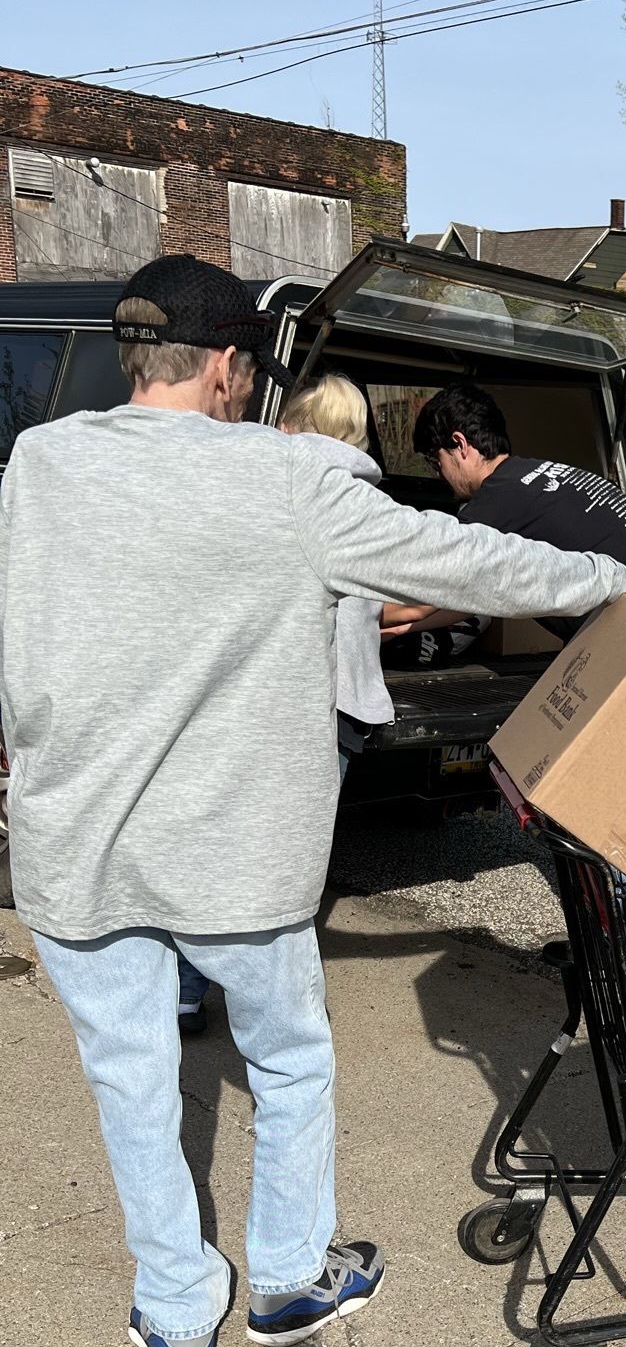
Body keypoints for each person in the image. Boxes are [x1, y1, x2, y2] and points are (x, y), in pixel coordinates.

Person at [0, 253, 626, 1347]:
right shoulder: (289, 480)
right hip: (233, 857)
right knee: (290, 1062)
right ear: (224, 368)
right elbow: (466, 557)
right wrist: (604, 572)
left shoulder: (38, 463)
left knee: (132, 1074)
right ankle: (292, 1276)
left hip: (72, 845)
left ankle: (176, 1310)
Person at [175, 370, 392, 1036]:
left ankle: (187, 992)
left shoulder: (273, 490)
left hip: (275, 699)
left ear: (294, 424)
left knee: (222, 849)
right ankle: (270, 1009)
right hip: (345, 706)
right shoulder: (371, 505)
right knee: (291, 869)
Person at [410, 381, 626, 644]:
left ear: (460, 444)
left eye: (435, 461)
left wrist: (390, 624)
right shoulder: (539, 473)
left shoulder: (496, 501)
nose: (439, 475)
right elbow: (472, 595)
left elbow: (438, 585)